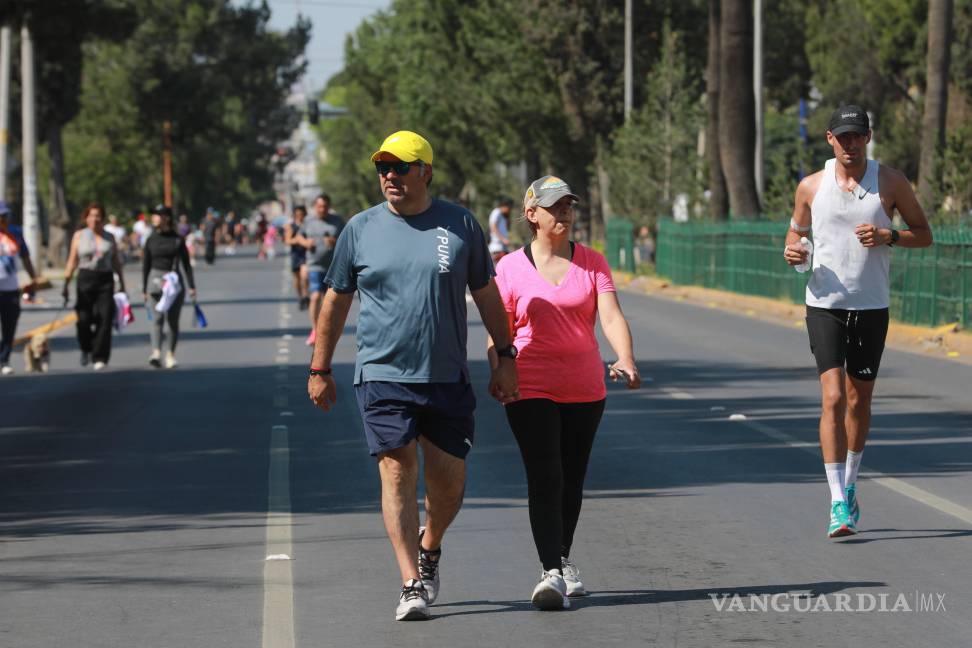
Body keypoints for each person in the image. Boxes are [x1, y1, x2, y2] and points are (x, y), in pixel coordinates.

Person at [306, 130, 519, 621]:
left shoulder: (459, 224)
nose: (390, 176)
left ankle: (430, 543)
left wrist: (506, 356)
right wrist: (320, 367)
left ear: (426, 171)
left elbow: (486, 293)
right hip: (382, 374)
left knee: (449, 484)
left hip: (445, 375)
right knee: (397, 470)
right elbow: (336, 301)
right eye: (382, 167)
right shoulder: (359, 229)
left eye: (400, 166)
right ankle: (410, 582)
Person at [491, 176, 641, 610]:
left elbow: (610, 316)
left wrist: (625, 357)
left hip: (584, 386)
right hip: (529, 383)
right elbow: (499, 330)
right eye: (554, 206)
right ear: (531, 214)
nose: (564, 213)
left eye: (568, 206)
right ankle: (550, 572)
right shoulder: (509, 268)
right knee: (546, 474)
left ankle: (561, 557)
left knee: (572, 478)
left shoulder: (592, 262)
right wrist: (500, 369)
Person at [784, 105, 932, 538]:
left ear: (868, 138)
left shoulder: (891, 182)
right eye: (842, 136)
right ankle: (836, 503)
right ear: (829, 138)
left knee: (858, 399)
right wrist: (794, 251)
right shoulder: (811, 186)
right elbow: (796, 235)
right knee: (832, 398)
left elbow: (924, 234)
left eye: (857, 136)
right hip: (824, 303)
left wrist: (889, 236)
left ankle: (850, 484)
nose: (850, 144)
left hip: (870, 305)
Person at [62, 202, 127, 371]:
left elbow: (116, 261)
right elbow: (72, 260)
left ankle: (100, 356)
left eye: (98, 216)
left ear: (102, 218)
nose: (94, 219)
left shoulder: (109, 237)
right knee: (83, 318)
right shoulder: (79, 236)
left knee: (105, 318)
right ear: (86, 218)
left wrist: (122, 283)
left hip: (105, 279)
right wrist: (66, 284)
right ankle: (86, 348)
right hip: (85, 277)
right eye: (91, 215)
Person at [143, 205, 197, 369]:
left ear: (166, 218)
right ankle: (156, 352)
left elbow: (186, 264)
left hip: (173, 284)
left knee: (172, 321)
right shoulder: (150, 239)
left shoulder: (177, 239)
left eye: (158, 215)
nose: (154, 218)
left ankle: (170, 355)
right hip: (154, 282)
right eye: (154, 215)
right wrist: (144, 289)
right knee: (157, 319)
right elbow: (146, 265)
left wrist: (191, 286)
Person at [295, 194, 344, 346]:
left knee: (328, 300)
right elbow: (298, 237)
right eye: (319, 206)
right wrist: (306, 242)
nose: (322, 209)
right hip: (314, 264)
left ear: (329, 207)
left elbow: (347, 239)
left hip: (333, 266)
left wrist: (335, 241)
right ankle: (315, 330)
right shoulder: (308, 221)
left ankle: (325, 328)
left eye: (325, 206)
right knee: (315, 296)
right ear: (315, 207)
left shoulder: (337, 221)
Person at [0, 202, 40, 375]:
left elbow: (25, 257)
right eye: (0, 216)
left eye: (5, 216)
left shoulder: (15, 233)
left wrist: (33, 279)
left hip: (11, 289)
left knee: (9, 326)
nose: (3, 219)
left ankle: (4, 360)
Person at [283, 205, 310, 310]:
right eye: (298, 214)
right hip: (296, 254)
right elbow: (287, 240)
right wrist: (297, 240)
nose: (300, 216)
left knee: (305, 275)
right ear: (295, 215)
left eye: (302, 214)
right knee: (297, 278)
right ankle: (300, 297)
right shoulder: (291, 226)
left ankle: (306, 295)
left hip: (306, 254)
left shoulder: (308, 225)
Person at [488, 197, 513, 264]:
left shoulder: (503, 216)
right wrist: (503, 239)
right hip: (496, 247)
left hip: (502, 247)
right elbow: (493, 227)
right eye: (509, 207)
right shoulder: (497, 212)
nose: (510, 209)